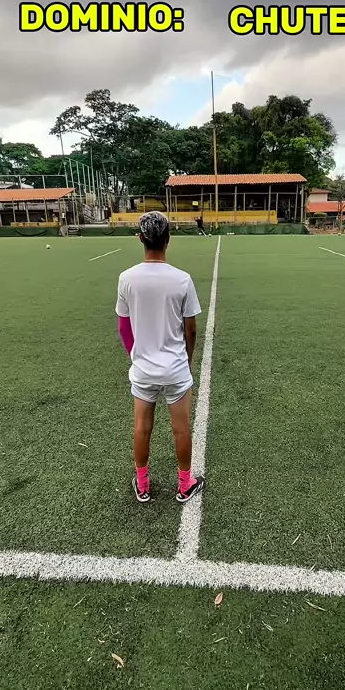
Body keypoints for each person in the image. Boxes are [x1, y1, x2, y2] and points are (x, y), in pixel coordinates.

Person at [116, 211, 204, 504]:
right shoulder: (182, 279)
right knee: (181, 428)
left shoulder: (126, 278)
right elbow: (191, 329)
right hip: (175, 369)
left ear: (140, 238)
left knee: (142, 427)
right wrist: (187, 361)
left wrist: (135, 355)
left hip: (143, 369)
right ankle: (185, 484)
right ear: (168, 239)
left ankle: (142, 485)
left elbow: (123, 326)